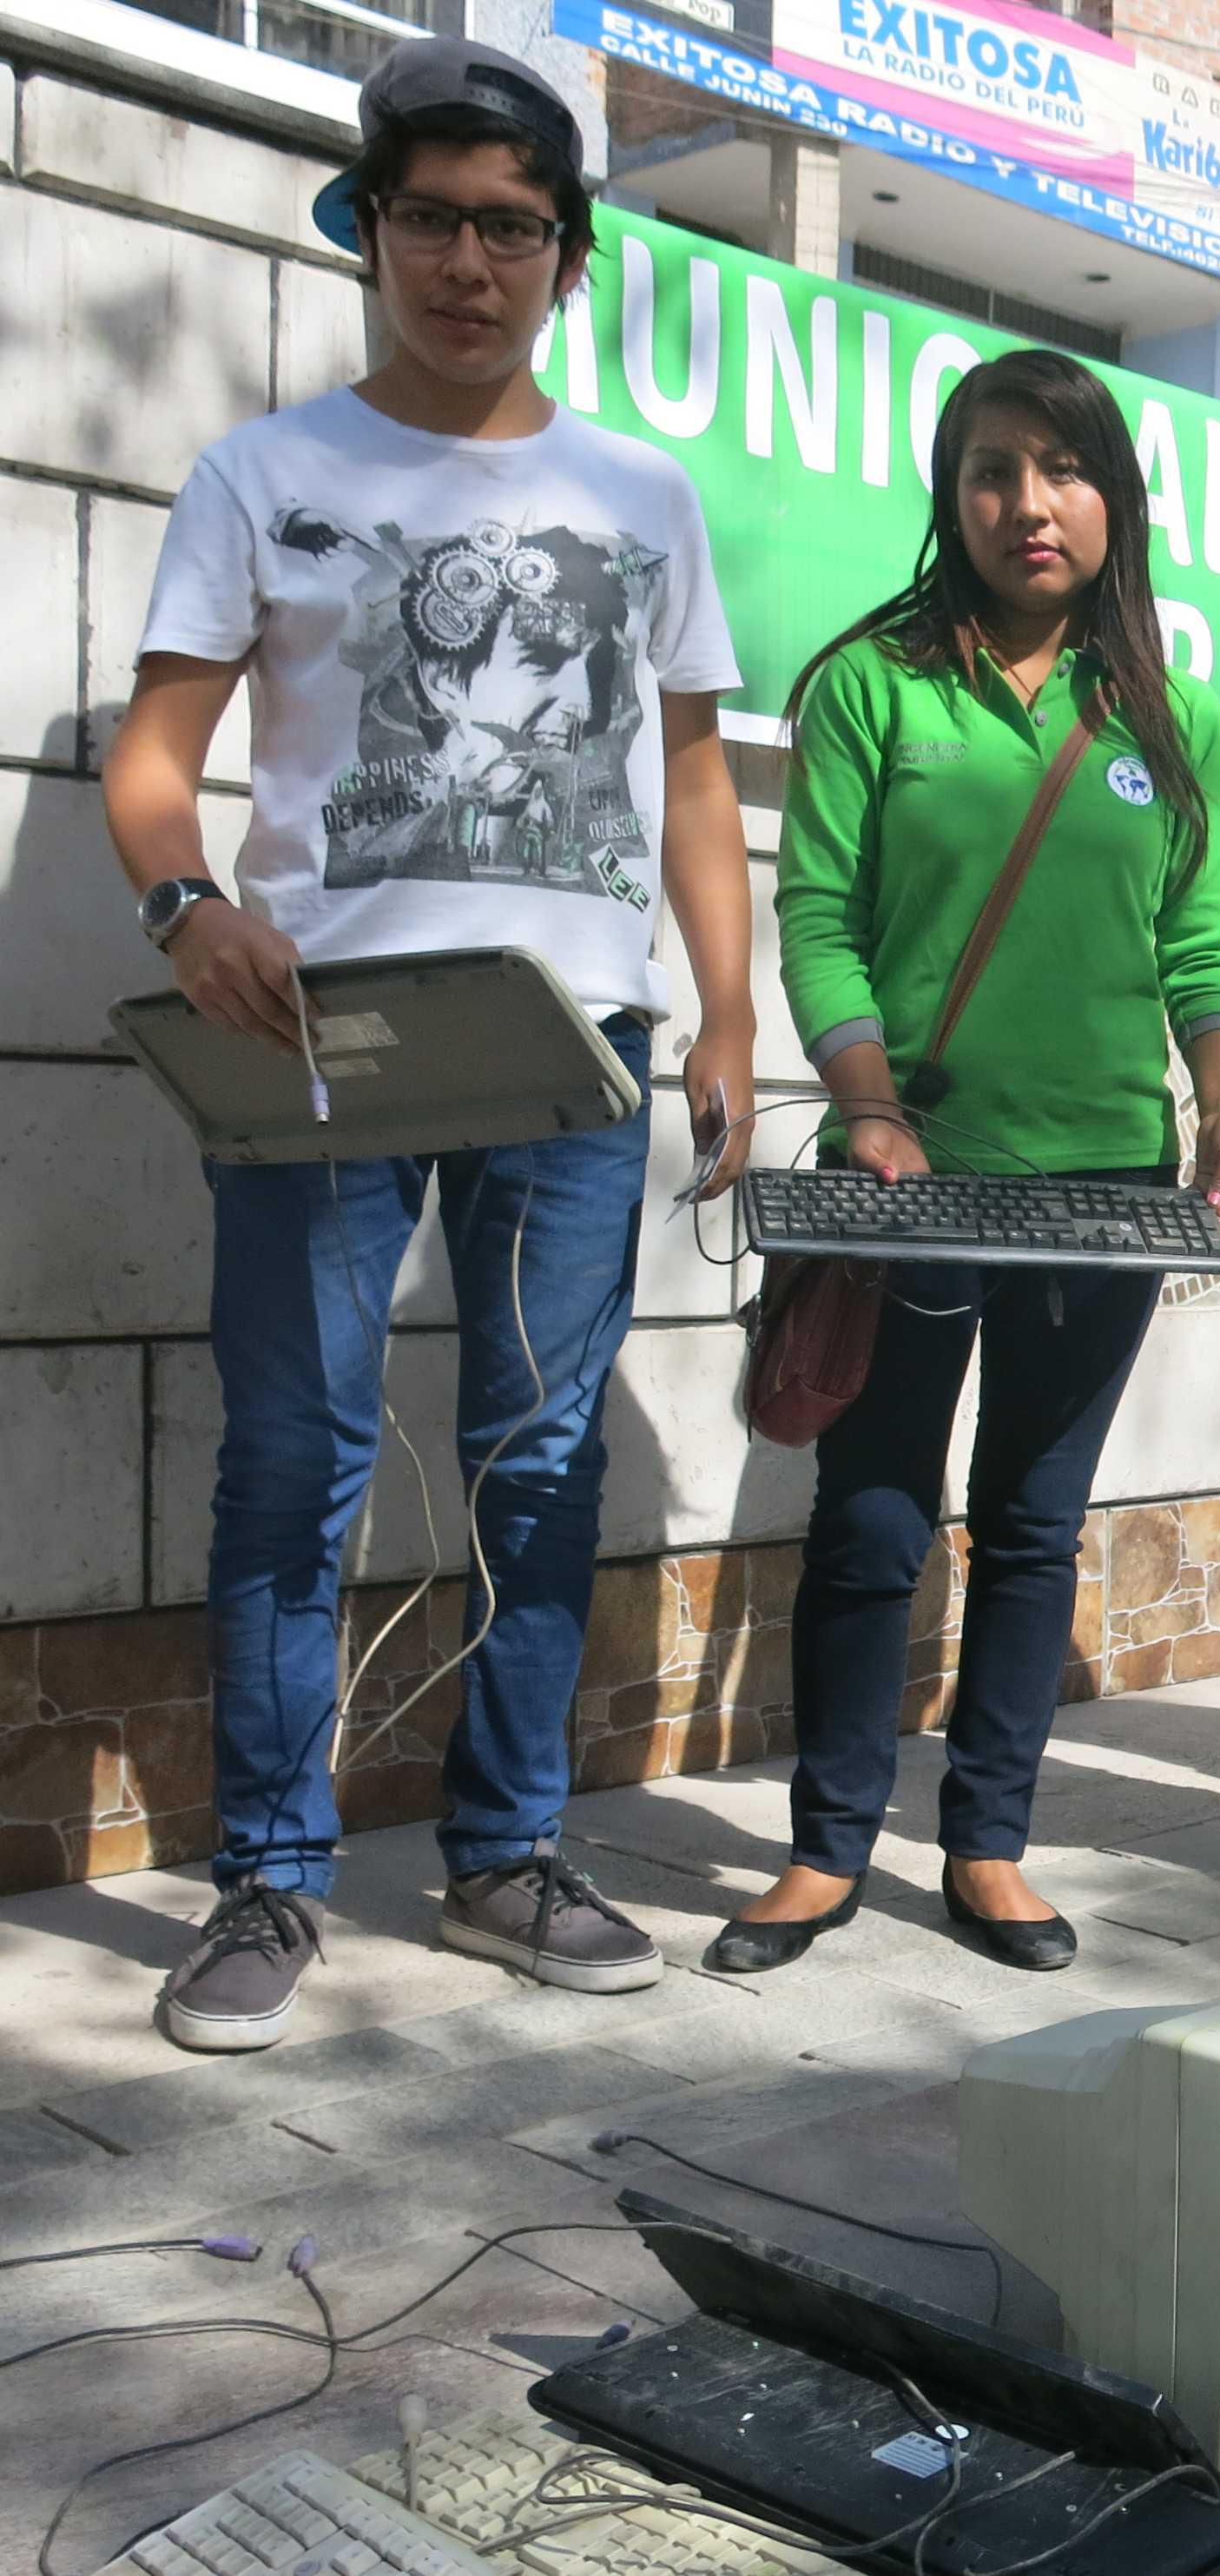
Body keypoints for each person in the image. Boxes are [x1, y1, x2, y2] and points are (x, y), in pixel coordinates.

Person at [106, 39, 758, 2052]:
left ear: (567, 255)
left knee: (534, 1458)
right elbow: (151, 765)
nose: (466, 260)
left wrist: (733, 1007)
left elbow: (694, 783)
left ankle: (506, 1849)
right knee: (290, 1462)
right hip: (328, 1045)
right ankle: (270, 1879)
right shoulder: (266, 476)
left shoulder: (642, 496)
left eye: (509, 227)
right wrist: (185, 904)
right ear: (368, 229)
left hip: (574, 1055)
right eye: (429, 220)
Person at [706, 353, 1220, 1978]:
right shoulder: (878, 686)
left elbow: (1209, 945)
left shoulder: (1171, 716)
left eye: (1064, 470)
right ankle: (824, 1851)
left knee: (1033, 1520)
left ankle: (990, 1844)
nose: (1031, 504)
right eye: (994, 474)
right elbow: (820, 918)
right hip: (913, 1171)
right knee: (874, 1518)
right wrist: (866, 1105)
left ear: (1115, 498)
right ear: (952, 502)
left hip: (1105, 1188)